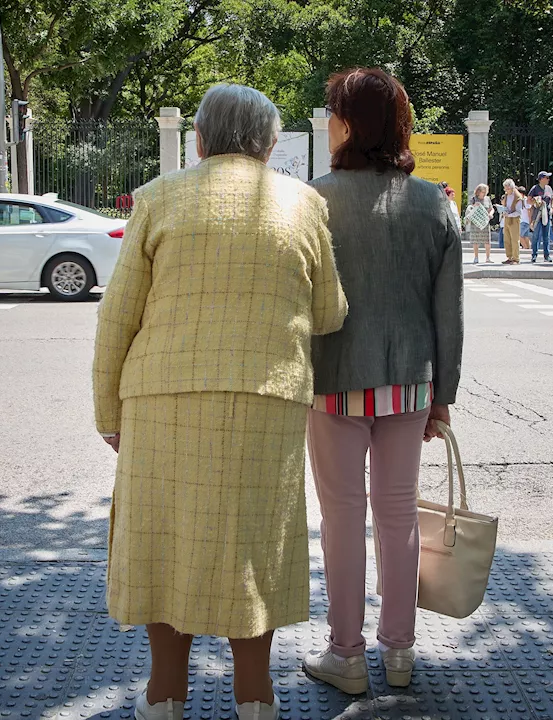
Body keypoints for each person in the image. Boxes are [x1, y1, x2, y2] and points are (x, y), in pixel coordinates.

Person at [92, 83, 348, 720]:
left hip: (160, 399)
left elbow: (117, 317)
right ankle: (256, 701)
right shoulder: (304, 204)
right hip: (266, 401)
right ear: (267, 145)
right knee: (251, 548)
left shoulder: (157, 199)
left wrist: (108, 411)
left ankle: (163, 699)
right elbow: (327, 312)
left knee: (163, 544)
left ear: (199, 140)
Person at [304, 66, 463, 696]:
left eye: (333, 113)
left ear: (347, 125)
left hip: (334, 380)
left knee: (342, 518)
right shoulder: (433, 204)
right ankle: (400, 651)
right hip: (409, 383)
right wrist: (443, 396)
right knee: (398, 517)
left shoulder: (314, 201)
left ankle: (346, 654)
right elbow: (446, 313)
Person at [530, 171, 553, 262]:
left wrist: (552, 208)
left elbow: (552, 199)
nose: (548, 179)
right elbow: (529, 200)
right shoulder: (535, 188)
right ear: (541, 179)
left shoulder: (549, 188)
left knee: (546, 236)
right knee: (536, 236)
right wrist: (536, 200)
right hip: (537, 215)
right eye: (546, 178)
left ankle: (547, 255)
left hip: (547, 214)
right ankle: (534, 255)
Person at [466, 184, 494, 264]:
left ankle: (488, 258)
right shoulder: (473, 199)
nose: (484, 193)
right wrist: (474, 205)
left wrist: (491, 214)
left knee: (487, 241)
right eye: (482, 191)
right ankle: (476, 257)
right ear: (478, 192)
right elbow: (469, 209)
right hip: (475, 223)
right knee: (475, 241)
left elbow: (491, 209)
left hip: (485, 222)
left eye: (485, 191)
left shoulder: (487, 199)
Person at [500, 179, 521, 264]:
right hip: (507, 219)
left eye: (507, 189)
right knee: (507, 239)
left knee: (515, 239)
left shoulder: (517, 196)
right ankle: (509, 257)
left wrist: (509, 214)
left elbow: (519, 212)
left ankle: (516, 258)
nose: (506, 190)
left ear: (512, 188)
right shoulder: (506, 196)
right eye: (505, 189)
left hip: (515, 219)